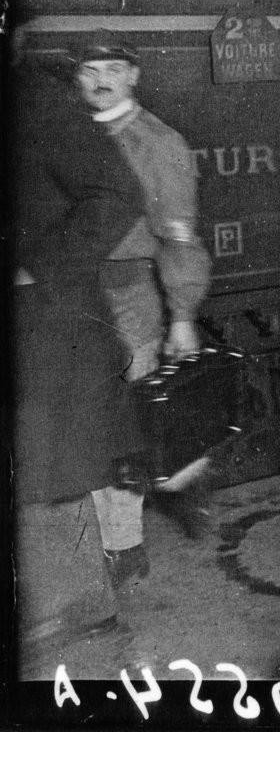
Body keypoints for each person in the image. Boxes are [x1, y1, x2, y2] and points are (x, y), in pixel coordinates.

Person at [73, 33, 215, 591]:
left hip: (130, 293)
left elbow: (178, 239)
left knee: (126, 421)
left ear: (133, 76)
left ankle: (125, 548)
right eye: (89, 70)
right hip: (76, 294)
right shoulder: (77, 136)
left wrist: (182, 313)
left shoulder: (158, 143)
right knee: (91, 419)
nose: (100, 80)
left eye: (112, 69)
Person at [12, 55, 146, 648]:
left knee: (47, 455)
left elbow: (117, 195)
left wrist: (35, 269)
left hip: (46, 316)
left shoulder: (36, 100)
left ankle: (79, 605)